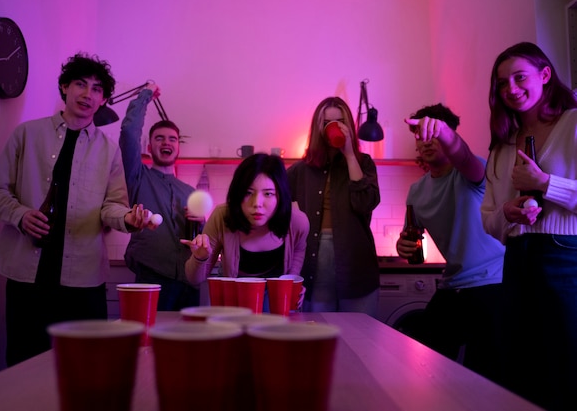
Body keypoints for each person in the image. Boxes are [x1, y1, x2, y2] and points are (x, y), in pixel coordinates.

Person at [0, 53, 156, 366]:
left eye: (97, 89)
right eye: (80, 84)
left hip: (83, 282)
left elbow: (112, 207)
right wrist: (20, 215)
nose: (88, 94)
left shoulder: (108, 150)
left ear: (103, 99)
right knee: (24, 364)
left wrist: (128, 218)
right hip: (27, 277)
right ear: (64, 87)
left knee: (88, 365)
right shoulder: (27, 134)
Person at [481, 41, 577, 411]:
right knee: (521, 369)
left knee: (567, 366)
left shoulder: (572, 124)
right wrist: (507, 212)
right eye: (502, 84)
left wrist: (545, 183)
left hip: (567, 259)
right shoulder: (502, 145)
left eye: (520, 78)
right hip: (517, 260)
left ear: (545, 75)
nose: (511, 90)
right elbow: (487, 217)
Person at [396, 104, 505, 383]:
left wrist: (445, 134)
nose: (427, 140)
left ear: (449, 135)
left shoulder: (474, 171)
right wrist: (402, 246)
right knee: (422, 365)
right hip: (452, 285)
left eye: (436, 134)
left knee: (483, 376)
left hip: (493, 283)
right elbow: (411, 238)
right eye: (421, 134)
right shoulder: (416, 192)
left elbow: (464, 156)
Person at [286, 97, 380, 314]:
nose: (334, 127)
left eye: (340, 121)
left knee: (361, 336)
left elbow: (365, 203)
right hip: (314, 262)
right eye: (328, 122)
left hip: (356, 262)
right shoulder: (300, 171)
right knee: (320, 332)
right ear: (318, 127)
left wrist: (349, 155)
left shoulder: (363, 163)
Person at [182, 153, 309, 307]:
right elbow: (194, 279)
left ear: (280, 196)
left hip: (277, 311)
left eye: (268, 194)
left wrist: (293, 286)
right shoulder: (222, 217)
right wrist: (199, 258)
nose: (257, 203)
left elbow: (295, 265)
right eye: (248, 193)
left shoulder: (297, 222)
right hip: (236, 307)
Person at [119, 83, 200, 310]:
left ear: (178, 148)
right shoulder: (138, 176)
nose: (166, 143)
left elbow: (199, 240)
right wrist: (145, 96)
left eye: (172, 139)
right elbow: (128, 132)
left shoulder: (190, 192)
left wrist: (200, 224)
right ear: (149, 145)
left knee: (186, 344)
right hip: (152, 277)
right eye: (159, 138)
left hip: (188, 281)